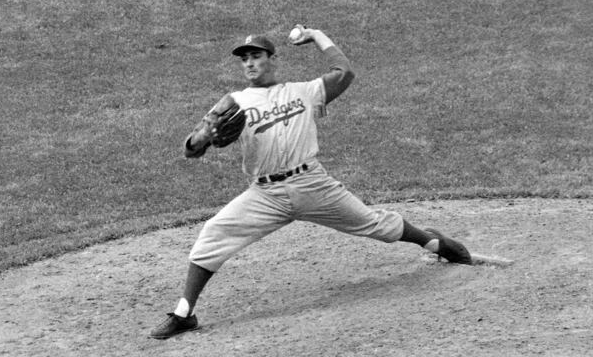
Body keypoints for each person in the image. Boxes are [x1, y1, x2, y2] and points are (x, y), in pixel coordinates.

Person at [149, 26, 472, 340]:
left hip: (313, 184)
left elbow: (344, 72)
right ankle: (184, 313)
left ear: (273, 59)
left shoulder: (304, 91)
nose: (249, 63)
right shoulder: (234, 102)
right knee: (213, 234)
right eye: (244, 58)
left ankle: (435, 243)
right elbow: (190, 149)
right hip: (266, 194)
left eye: (256, 56)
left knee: (376, 224)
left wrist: (316, 35)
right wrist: (203, 137)